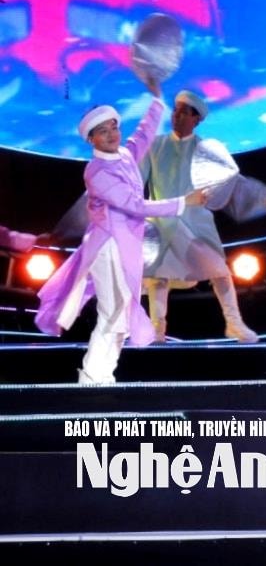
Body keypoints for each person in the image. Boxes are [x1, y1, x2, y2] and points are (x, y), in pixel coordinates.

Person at [35, 85, 208, 383]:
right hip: (107, 246)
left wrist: (157, 101)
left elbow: (143, 135)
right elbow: (134, 205)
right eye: (102, 131)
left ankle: (103, 375)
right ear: (91, 139)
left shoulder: (125, 155)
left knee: (121, 314)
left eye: (113, 127)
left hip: (126, 245)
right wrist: (184, 202)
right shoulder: (96, 171)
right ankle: (91, 376)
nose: (111, 134)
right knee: (113, 311)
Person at [141, 90, 259, 343]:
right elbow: (135, 182)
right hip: (162, 219)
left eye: (184, 112)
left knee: (219, 271)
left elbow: (232, 180)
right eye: (175, 110)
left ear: (196, 119)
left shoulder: (205, 150)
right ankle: (157, 329)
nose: (177, 116)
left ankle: (234, 323)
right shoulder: (154, 145)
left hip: (197, 222)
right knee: (158, 275)